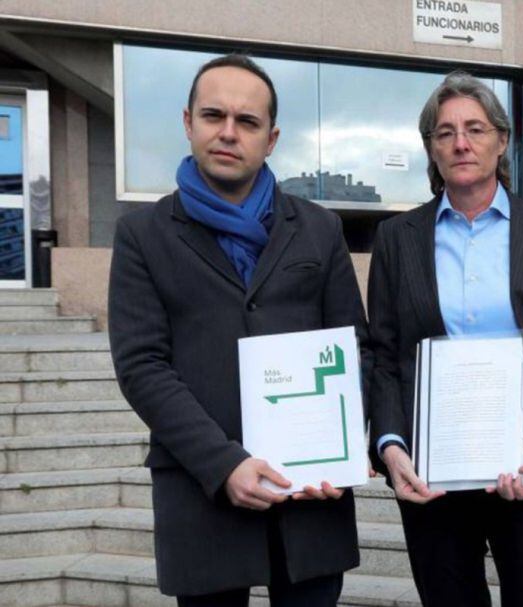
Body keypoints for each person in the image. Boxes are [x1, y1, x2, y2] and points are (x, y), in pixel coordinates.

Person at [108, 54, 370, 606]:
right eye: (213, 116)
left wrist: (339, 449)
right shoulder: (142, 235)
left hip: (309, 500)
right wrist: (224, 463)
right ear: (188, 123)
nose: (228, 132)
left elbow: (354, 349)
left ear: (271, 139)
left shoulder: (320, 229)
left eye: (247, 122)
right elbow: (142, 367)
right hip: (201, 494)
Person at [366, 71, 523, 607]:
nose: (461, 143)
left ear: (502, 139)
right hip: (432, 475)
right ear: (431, 149)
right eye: (445, 133)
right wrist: (391, 445)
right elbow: (383, 353)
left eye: (474, 128)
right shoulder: (397, 239)